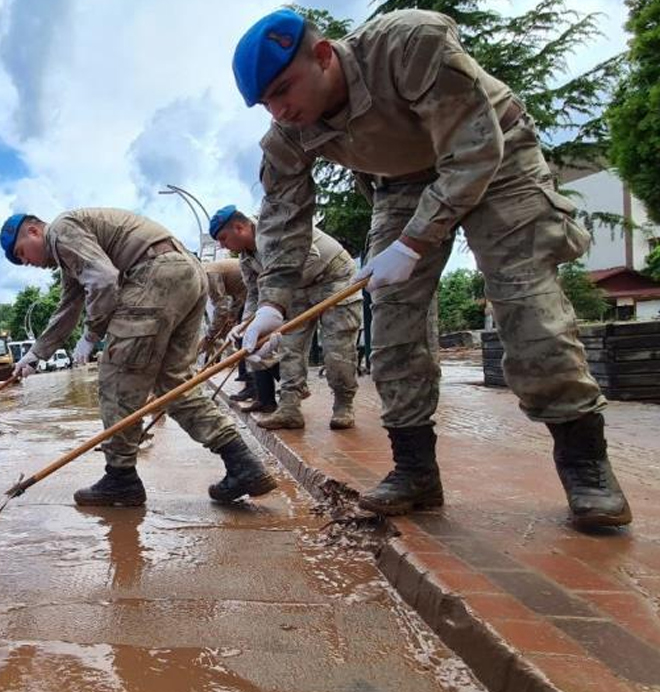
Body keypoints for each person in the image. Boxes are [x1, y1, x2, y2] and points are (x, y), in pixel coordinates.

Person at [232, 8, 630, 528]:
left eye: (284, 89)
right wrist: (270, 304)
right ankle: (415, 468)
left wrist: (417, 240)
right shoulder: (286, 136)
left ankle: (586, 467)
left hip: (496, 157)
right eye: (266, 102)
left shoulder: (409, 44)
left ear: (324, 55)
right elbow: (284, 219)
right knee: (393, 326)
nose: (280, 110)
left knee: (526, 307)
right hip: (401, 184)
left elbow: (473, 148)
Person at [0, 208, 276, 506]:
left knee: (117, 379)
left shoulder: (61, 230)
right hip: (186, 275)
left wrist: (92, 334)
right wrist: (35, 354)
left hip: (154, 275)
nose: (26, 262)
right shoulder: (68, 256)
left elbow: (104, 280)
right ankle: (242, 463)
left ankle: (121, 478)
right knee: (175, 386)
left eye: (22, 253)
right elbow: (68, 307)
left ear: (33, 232)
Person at [208, 204, 361, 430]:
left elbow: (308, 259)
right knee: (290, 349)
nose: (222, 245)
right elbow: (254, 292)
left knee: (337, 350)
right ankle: (289, 409)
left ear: (239, 227)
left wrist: (276, 305)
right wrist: (247, 325)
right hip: (294, 290)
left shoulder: (276, 229)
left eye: (223, 238)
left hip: (333, 278)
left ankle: (343, 405)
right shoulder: (246, 258)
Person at [203, 259, 257, 403]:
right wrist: (231, 318)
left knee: (247, 340)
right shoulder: (207, 272)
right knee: (240, 338)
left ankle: (253, 385)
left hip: (254, 296)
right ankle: (246, 377)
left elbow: (221, 308)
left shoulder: (208, 275)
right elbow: (235, 296)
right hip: (246, 296)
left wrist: (210, 336)